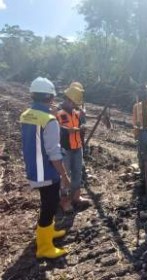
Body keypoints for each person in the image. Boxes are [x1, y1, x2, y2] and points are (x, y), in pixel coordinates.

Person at [20, 77, 70, 259]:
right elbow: (54, 152)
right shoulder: (49, 120)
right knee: (49, 206)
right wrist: (64, 175)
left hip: (33, 168)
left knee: (46, 203)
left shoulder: (26, 114)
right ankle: (44, 248)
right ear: (49, 97)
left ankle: (48, 232)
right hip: (47, 171)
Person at [56, 83, 90, 213]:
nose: (76, 106)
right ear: (69, 100)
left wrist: (82, 121)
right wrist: (70, 130)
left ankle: (76, 197)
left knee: (77, 173)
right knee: (65, 175)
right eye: (75, 103)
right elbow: (61, 130)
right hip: (66, 149)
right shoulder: (59, 112)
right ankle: (64, 201)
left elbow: (80, 127)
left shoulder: (76, 113)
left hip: (77, 147)